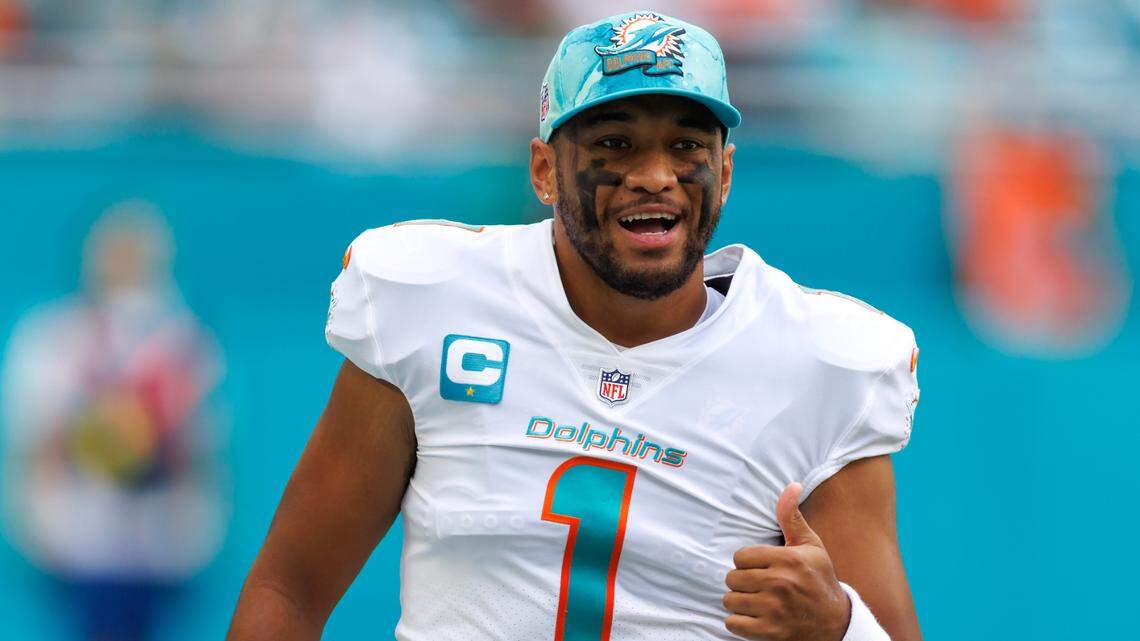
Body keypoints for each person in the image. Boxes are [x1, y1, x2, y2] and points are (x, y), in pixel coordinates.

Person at [228, 10, 922, 641]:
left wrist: (839, 626)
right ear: (543, 171)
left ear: (726, 172)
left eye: (686, 146)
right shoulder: (431, 301)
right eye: (615, 144)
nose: (655, 175)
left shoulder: (821, 363)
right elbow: (288, 589)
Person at [2, 202, 227, 641]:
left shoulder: (185, 343)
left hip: (159, 548)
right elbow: (32, 448)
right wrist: (42, 532)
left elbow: (201, 455)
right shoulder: (50, 339)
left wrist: (191, 535)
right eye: (116, 251)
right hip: (78, 547)